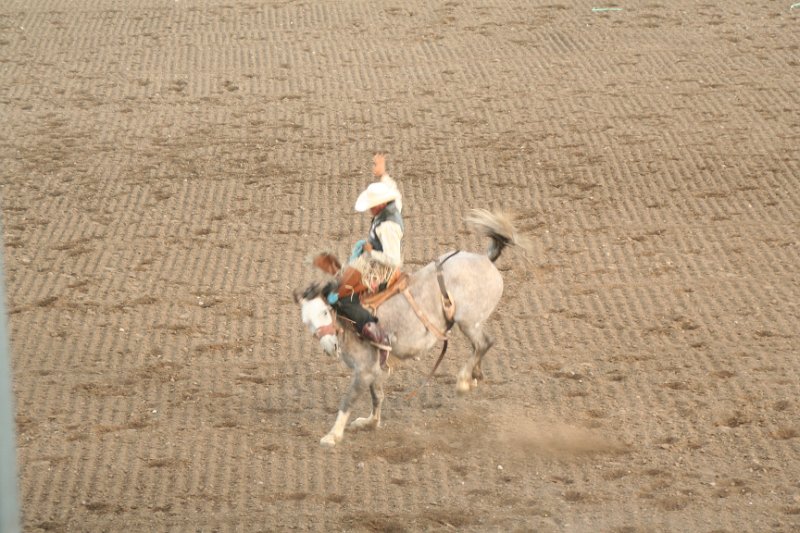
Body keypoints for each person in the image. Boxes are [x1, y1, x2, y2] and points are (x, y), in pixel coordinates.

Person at [325, 154, 403, 369]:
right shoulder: (393, 203)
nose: (369, 209)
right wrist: (382, 173)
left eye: (371, 205)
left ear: (378, 206)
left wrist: (370, 251)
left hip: (384, 269)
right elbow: (391, 186)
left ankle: (379, 337)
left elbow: (392, 259)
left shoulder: (387, 227)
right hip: (376, 261)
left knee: (345, 299)